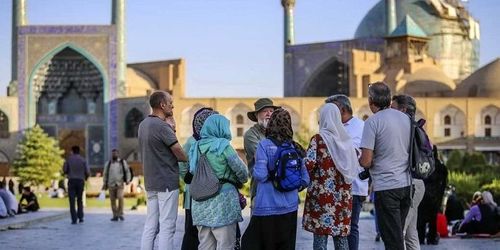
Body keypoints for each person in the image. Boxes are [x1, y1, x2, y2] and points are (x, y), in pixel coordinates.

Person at [241, 108, 310, 250]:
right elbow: (305, 179)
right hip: (290, 207)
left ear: (272, 124)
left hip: (267, 206)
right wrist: (294, 185)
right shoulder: (294, 146)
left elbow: (260, 175)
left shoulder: (264, 145)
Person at [359, 82, 412, 250]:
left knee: (392, 240)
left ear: (371, 100)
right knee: (397, 236)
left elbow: (366, 161)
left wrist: (358, 157)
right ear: (389, 100)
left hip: (386, 187)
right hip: (406, 186)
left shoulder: (372, 122)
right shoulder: (406, 118)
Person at [188, 114, 249, 249]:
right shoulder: (223, 146)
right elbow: (243, 173)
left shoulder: (195, 148)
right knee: (225, 245)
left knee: (205, 245)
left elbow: (192, 170)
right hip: (223, 203)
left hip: (200, 203)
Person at [302, 103, 358, 250]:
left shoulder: (318, 140)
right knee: (341, 239)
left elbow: (308, 164)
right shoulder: (346, 141)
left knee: (320, 238)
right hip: (343, 197)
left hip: (322, 197)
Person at [138, 91, 188, 250]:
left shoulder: (143, 124)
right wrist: (172, 130)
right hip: (166, 182)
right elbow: (180, 153)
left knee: (151, 225)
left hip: (151, 183)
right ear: (162, 105)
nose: (173, 105)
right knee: (167, 226)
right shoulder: (161, 126)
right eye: (170, 102)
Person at [325, 94, 367, 250]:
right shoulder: (334, 126)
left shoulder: (360, 126)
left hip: (353, 186)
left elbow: (355, 154)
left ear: (342, 109)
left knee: (351, 226)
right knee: (338, 227)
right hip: (336, 185)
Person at [179, 107, 218, 250]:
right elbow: (182, 165)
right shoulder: (192, 142)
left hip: (203, 194)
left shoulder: (212, 142)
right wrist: (191, 180)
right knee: (193, 233)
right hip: (196, 195)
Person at [391, 94, 426, 250]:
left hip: (410, 184)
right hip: (418, 184)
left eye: (393, 108)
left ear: (403, 109)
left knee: (398, 232)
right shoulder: (418, 129)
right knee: (411, 233)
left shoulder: (404, 130)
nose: (390, 113)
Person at [243, 98, 280, 204]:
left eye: (271, 111)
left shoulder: (278, 133)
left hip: (279, 188)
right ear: (256, 115)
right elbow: (262, 158)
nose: (269, 114)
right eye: (265, 111)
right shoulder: (251, 135)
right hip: (260, 188)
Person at [417, 145, 448, 245]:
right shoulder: (440, 166)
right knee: (433, 219)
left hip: (423, 195)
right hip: (435, 196)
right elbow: (444, 182)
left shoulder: (424, 164)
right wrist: (440, 194)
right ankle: (431, 238)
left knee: (421, 219)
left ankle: (420, 238)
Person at [63, 145, 90, 224]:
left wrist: (68, 173)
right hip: (80, 180)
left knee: (72, 200)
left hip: (71, 180)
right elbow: (87, 172)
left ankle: (74, 218)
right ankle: (80, 216)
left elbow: (65, 170)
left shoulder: (68, 160)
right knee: (79, 199)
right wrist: (85, 178)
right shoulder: (83, 160)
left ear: (72, 151)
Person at [102, 149, 131, 221]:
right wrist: (104, 183)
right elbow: (105, 174)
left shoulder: (122, 162)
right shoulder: (108, 163)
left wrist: (128, 180)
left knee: (120, 197)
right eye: (113, 154)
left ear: (118, 154)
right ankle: (115, 215)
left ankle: (120, 213)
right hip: (111, 184)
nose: (114, 155)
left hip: (119, 183)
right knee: (112, 200)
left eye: (115, 153)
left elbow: (127, 171)